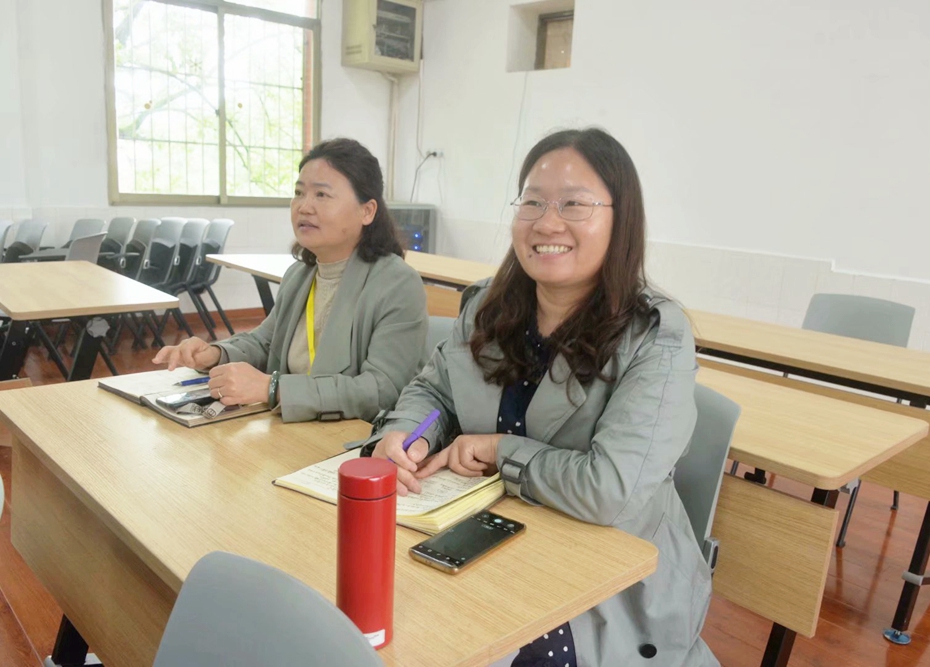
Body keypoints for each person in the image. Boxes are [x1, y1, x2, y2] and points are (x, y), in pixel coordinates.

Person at [359, 128, 717, 665]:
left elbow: (610, 492)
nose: (547, 223)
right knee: (380, 619)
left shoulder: (654, 335)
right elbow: (435, 390)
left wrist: (501, 451)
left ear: (621, 219)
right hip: (483, 537)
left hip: (601, 585)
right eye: (532, 202)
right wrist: (407, 433)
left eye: (574, 204)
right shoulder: (489, 305)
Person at [153, 138, 428, 423]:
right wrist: (214, 354)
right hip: (295, 427)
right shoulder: (300, 274)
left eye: (322, 195)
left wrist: (273, 389)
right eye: (298, 193)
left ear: (367, 211)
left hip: (354, 437)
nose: (304, 207)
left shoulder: (397, 284)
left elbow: (381, 390)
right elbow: (265, 342)